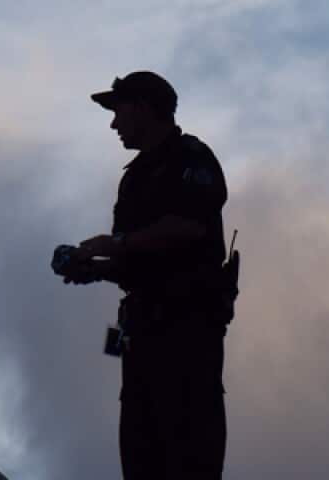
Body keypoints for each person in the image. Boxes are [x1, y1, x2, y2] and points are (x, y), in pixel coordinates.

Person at [56, 71, 236, 480]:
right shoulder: (134, 177)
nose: (113, 123)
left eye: (118, 111)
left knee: (189, 457)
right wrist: (93, 271)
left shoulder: (192, 159)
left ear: (143, 107)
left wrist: (114, 243)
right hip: (142, 343)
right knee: (141, 461)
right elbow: (135, 261)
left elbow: (188, 226)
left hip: (186, 337)